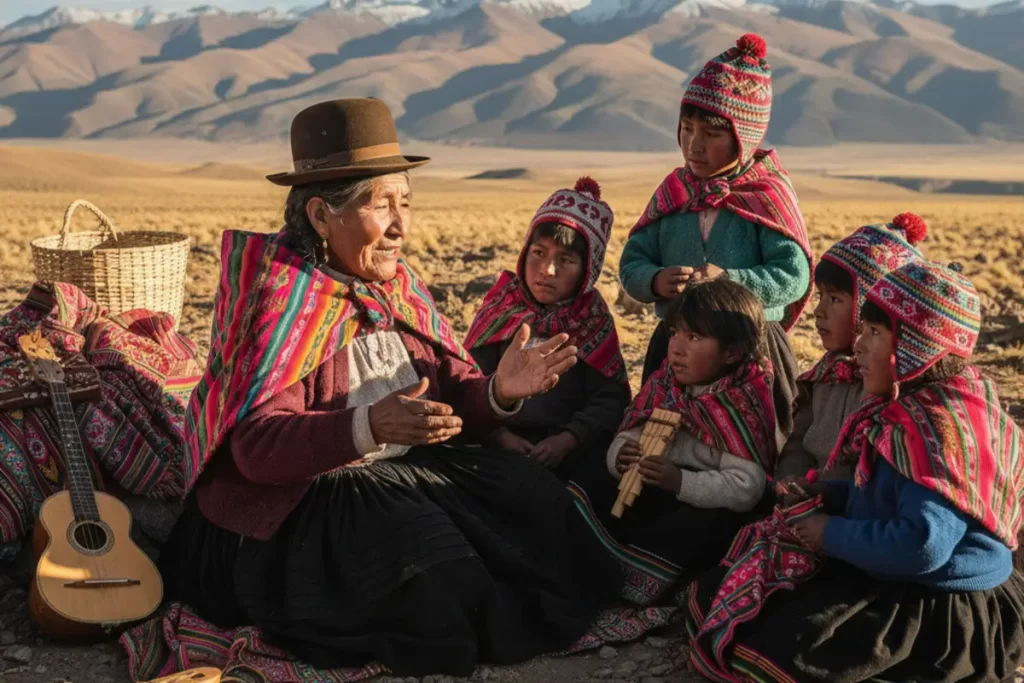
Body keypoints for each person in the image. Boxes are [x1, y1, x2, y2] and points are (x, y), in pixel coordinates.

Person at [157, 98, 623, 678]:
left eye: (406, 203)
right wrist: (367, 425)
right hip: (304, 501)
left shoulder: (395, 287)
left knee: (534, 498)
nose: (403, 226)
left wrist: (500, 392)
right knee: (437, 578)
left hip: (395, 474)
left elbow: (456, 400)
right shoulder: (278, 299)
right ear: (323, 216)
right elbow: (255, 449)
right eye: (383, 206)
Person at [687, 260, 1024, 683]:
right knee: (728, 590)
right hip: (897, 565)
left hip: (939, 602)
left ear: (917, 347)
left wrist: (829, 532)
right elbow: (884, 499)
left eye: (875, 333)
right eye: (862, 330)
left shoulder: (934, 431)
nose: (859, 345)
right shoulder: (906, 410)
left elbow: (923, 545)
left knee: (781, 649)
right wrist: (828, 498)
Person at [618, 33, 812, 445]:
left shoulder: (766, 195)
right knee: (663, 447)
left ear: (744, 138)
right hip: (676, 347)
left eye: (711, 134)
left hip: (753, 349)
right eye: (687, 129)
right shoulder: (673, 192)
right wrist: (655, 281)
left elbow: (793, 276)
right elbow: (632, 262)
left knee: (755, 451)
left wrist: (731, 281)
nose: (694, 145)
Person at [568, 279, 777, 604]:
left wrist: (680, 481)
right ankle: (587, 559)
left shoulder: (741, 402)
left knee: (696, 524)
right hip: (654, 487)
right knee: (590, 474)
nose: (676, 348)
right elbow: (630, 432)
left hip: (702, 501)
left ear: (732, 352)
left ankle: (635, 584)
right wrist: (621, 456)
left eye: (693, 337)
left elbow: (747, 487)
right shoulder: (665, 382)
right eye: (675, 333)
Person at [464, 177, 631, 480]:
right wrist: (499, 435)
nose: (547, 270)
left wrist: (568, 439)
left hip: (568, 452)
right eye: (539, 253)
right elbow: (468, 384)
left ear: (587, 270)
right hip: (499, 445)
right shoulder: (502, 308)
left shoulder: (592, 320)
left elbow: (611, 399)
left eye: (566, 259)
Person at [775, 212, 927, 483]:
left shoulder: (894, 389)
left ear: (870, 308)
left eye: (835, 299)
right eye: (820, 297)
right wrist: (789, 479)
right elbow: (798, 444)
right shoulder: (825, 374)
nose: (818, 311)